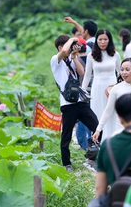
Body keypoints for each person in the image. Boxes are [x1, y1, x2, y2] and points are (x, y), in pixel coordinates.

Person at [50, 34, 98, 172]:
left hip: (80, 101)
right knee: (66, 136)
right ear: (60, 47)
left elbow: (82, 72)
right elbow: (64, 51)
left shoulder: (71, 58)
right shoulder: (55, 60)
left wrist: (75, 56)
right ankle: (67, 164)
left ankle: (92, 157)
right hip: (67, 104)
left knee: (96, 126)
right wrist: (72, 39)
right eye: (70, 45)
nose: (72, 47)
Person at [92, 58, 131, 142]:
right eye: (122, 70)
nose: (124, 72)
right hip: (121, 127)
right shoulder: (116, 88)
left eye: (127, 69)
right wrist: (98, 129)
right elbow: (108, 110)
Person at [82, 29, 122, 140]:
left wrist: (122, 87)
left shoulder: (115, 55)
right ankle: (98, 144)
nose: (103, 42)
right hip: (97, 89)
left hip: (112, 89)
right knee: (97, 115)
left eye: (105, 39)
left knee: (112, 115)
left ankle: (113, 141)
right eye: (100, 39)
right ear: (96, 40)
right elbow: (87, 76)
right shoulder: (91, 56)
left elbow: (121, 73)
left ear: (109, 40)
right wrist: (82, 93)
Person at [65, 17, 97, 151]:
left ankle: (85, 145)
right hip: (96, 86)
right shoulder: (97, 43)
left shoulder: (87, 48)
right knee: (92, 115)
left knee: (82, 119)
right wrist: (73, 22)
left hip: (84, 88)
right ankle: (92, 142)